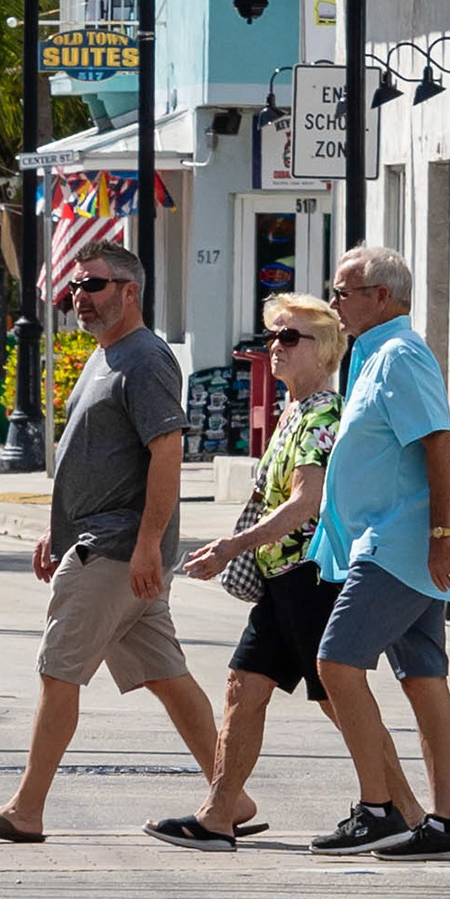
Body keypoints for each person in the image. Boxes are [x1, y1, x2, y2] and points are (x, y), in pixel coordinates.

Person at [0, 240, 221, 844]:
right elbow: (98, 457)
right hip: (105, 543)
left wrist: (150, 543)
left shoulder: (146, 359)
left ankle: (26, 809)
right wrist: (60, 527)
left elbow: (167, 451)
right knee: (168, 677)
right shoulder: (109, 356)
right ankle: (230, 793)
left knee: (59, 672)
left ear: (130, 292)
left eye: (94, 285)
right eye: (76, 287)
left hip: (117, 550)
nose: (80, 297)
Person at [150, 297, 348, 848]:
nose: (275, 348)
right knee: (243, 687)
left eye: (290, 339)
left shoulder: (324, 414)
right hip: (280, 580)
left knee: (340, 702)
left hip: (311, 577)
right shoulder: (293, 412)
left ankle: (402, 807)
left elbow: (308, 501)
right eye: (272, 338)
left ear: (326, 351)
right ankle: (217, 816)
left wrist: (232, 544)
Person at [307, 241, 450, 855]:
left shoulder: (400, 355)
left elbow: (440, 444)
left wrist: (439, 535)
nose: (333, 304)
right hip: (387, 542)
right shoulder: (371, 355)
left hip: (400, 544)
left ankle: (379, 808)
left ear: (381, 297)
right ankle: (446, 823)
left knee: (336, 664)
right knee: (423, 676)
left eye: (342, 293)